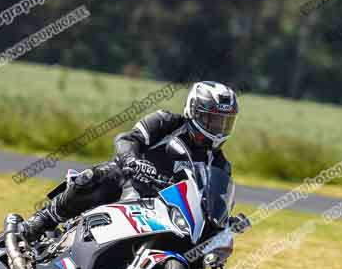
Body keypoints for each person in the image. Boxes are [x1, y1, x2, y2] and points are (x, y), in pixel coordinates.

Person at [16, 81, 240, 244]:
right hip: (131, 183)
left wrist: (224, 223)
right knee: (100, 176)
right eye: (212, 120)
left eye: (224, 123)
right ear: (194, 111)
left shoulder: (219, 164)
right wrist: (132, 161)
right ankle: (44, 219)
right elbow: (127, 139)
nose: (217, 129)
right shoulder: (166, 122)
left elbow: (215, 200)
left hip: (167, 209)